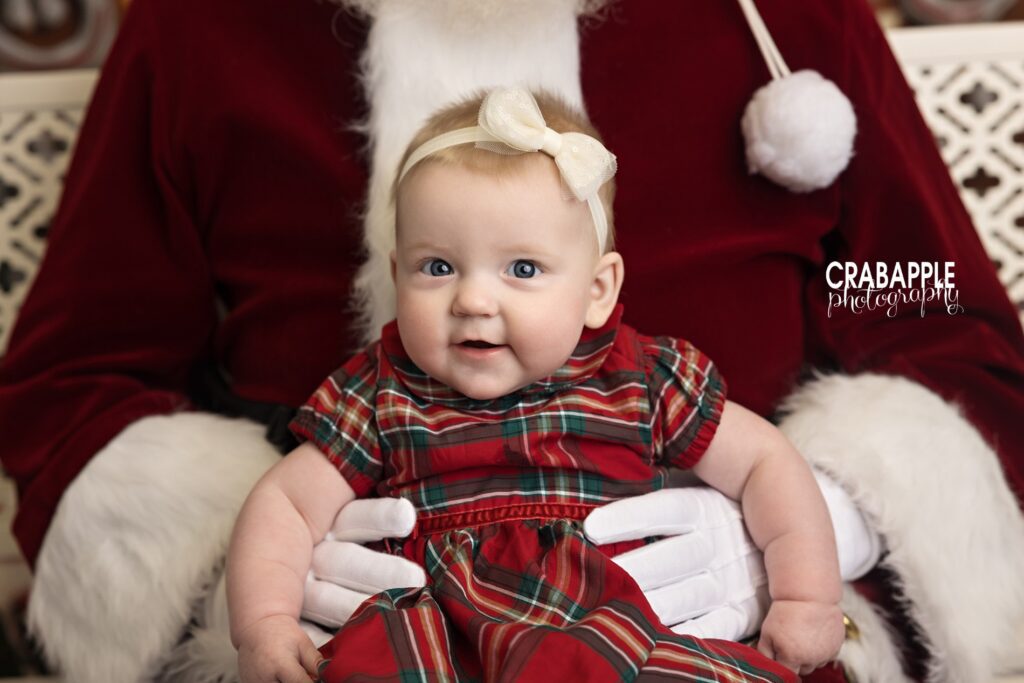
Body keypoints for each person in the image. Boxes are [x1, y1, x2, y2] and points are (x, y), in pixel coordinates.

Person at [0, 1, 1021, 681]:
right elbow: (77, 374)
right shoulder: (202, 25)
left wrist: (818, 529)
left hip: (736, 621)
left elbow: (937, 319)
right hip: (358, 622)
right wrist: (246, 571)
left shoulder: (781, 20)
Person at [226, 88, 844, 682]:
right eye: (436, 267)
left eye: (522, 268)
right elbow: (285, 502)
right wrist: (265, 623)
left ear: (596, 291)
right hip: (441, 642)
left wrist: (805, 596)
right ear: (397, 274)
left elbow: (765, 460)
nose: (472, 299)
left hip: (612, 628)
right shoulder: (381, 390)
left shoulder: (639, 379)